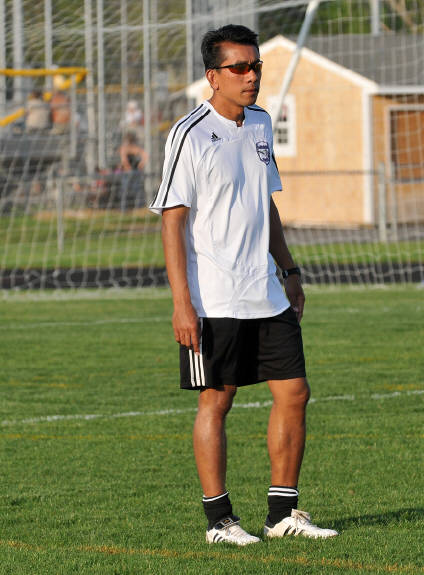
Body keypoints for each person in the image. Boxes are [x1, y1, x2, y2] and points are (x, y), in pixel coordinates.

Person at [149, 24, 338, 546]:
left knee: (295, 392)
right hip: (213, 297)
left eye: (255, 66)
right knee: (218, 399)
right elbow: (172, 221)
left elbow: (265, 203)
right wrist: (182, 304)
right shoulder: (189, 133)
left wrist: (289, 270)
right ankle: (220, 522)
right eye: (239, 67)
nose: (251, 76)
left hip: (266, 292)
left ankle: (282, 515)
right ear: (214, 76)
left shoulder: (261, 123)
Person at [119, 132, 148, 210]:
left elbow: (124, 160)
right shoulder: (133, 148)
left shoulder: (127, 148)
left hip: (130, 172)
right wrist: (140, 165)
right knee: (135, 190)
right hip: (133, 172)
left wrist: (139, 165)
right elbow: (145, 156)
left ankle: (127, 208)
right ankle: (134, 207)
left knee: (128, 191)